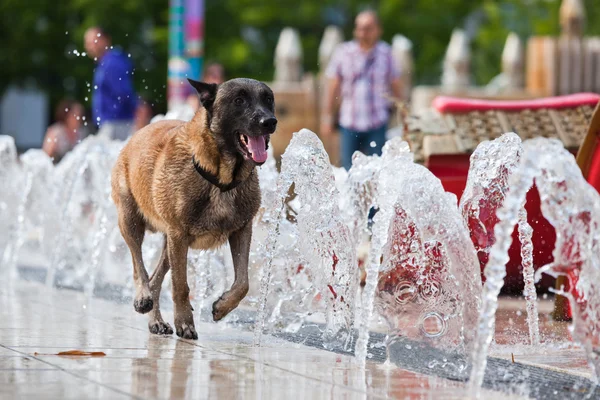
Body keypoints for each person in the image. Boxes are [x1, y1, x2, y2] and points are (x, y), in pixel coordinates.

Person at [321, 10, 403, 170]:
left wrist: (403, 115)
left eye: (368, 28)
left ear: (378, 30)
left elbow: (396, 85)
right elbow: (333, 87)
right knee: (348, 171)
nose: (363, 32)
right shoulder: (343, 52)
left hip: (377, 121)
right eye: (360, 28)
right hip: (349, 122)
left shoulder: (386, 53)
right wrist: (327, 117)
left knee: (378, 170)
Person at [84, 26, 137, 141]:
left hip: (117, 123)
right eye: (87, 43)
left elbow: (124, 93)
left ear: (105, 40)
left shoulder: (111, 63)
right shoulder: (106, 63)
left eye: (93, 41)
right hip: (114, 123)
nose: (89, 46)